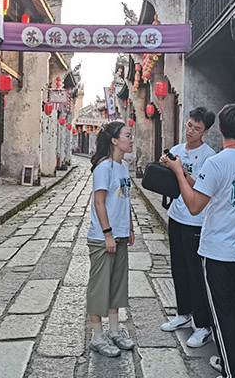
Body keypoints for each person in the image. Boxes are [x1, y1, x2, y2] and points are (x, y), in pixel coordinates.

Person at [163, 104, 235, 378]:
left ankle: (231, 372)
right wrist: (184, 173)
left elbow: (195, 205)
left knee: (221, 314)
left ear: (218, 129)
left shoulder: (216, 162)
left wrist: (178, 173)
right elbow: (216, 192)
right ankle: (230, 361)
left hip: (218, 251)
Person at [158, 107, 217, 348]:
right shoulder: (177, 150)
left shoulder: (209, 157)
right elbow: (168, 179)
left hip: (197, 220)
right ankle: (183, 313)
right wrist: (165, 165)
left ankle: (203, 325)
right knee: (178, 268)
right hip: (177, 215)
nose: (191, 131)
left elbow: (202, 188)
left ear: (207, 131)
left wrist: (180, 170)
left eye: (197, 128)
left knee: (196, 273)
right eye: (189, 125)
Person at [86, 121, 136, 357]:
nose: (131, 139)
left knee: (117, 285)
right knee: (99, 287)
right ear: (115, 140)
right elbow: (99, 203)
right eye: (127, 135)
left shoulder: (123, 166)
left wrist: (130, 228)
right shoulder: (104, 168)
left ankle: (114, 330)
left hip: (121, 235)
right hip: (103, 237)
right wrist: (108, 234)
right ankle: (97, 336)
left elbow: (126, 199)